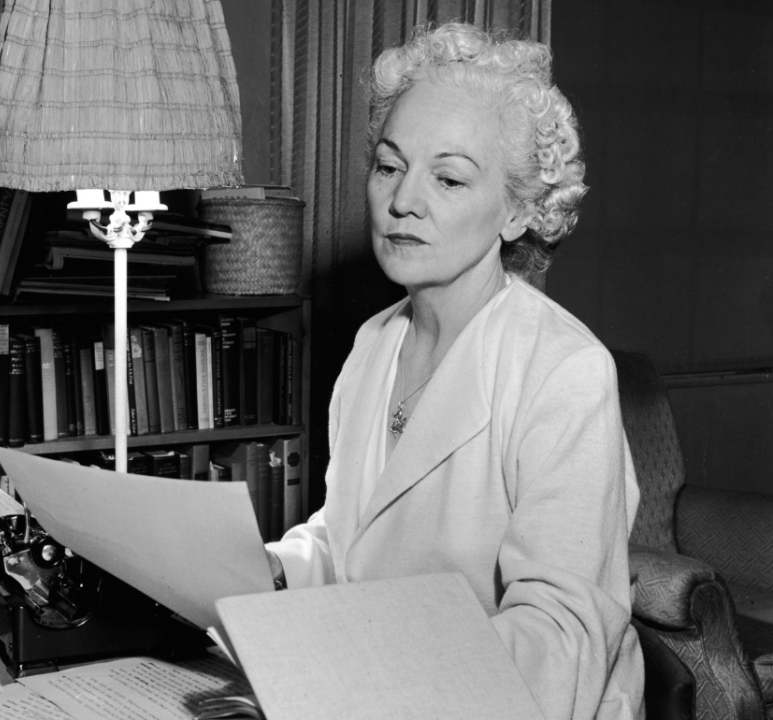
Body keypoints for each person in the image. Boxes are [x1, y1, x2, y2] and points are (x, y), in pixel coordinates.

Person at [265, 22, 644, 720]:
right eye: (388, 166)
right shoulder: (372, 345)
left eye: (447, 177)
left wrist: (381, 691)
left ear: (518, 211)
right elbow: (349, 540)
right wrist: (268, 572)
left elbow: (559, 637)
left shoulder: (566, 371)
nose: (404, 200)